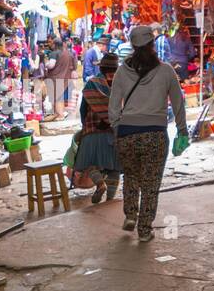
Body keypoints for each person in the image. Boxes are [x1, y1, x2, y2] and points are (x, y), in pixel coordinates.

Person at [107, 25, 189, 242]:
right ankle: (145, 229)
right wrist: (182, 131)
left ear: (133, 46)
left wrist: (118, 128)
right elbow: (179, 103)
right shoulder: (166, 71)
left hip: (127, 133)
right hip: (155, 134)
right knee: (151, 183)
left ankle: (130, 215)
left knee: (131, 177)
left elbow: (114, 105)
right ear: (152, 44)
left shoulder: (122, 71)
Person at [74, 52, 122, 203]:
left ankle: (100, 184)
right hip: (115, 133)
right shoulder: (121, 86)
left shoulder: (92, 83)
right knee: (115, 168)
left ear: (101, 68)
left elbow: (83, 109)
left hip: (93, 131)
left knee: (90, 164)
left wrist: (85, 126)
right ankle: (110, 200)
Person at [48, 39, 75, 120]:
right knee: (61, 97)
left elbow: (51, 65)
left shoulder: (54, 53)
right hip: (66, 77)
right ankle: (59, 113)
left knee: (58, 97)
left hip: (57, 78)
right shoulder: (68, 54)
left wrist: (46, 64)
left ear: (54, 45)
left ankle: (60, 115)